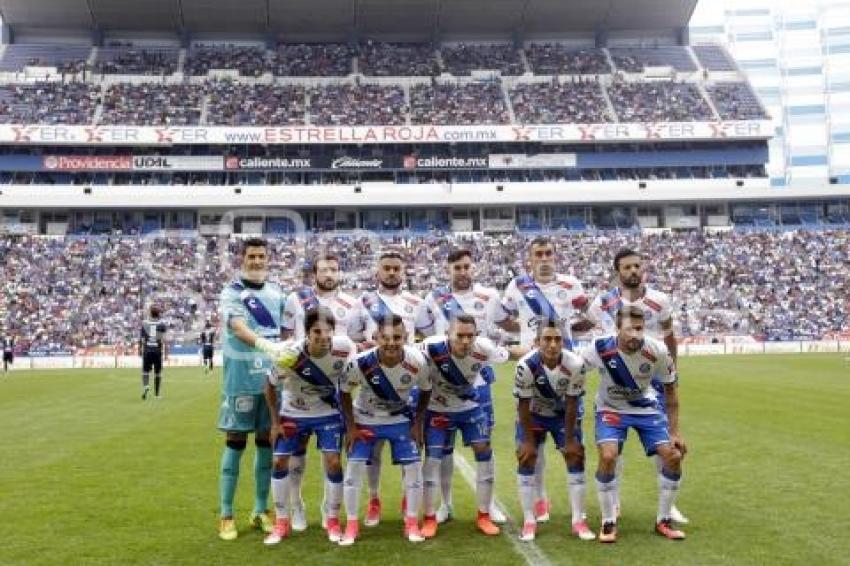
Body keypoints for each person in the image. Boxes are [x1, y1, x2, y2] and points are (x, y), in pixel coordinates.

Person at [493, 236, 590, 522]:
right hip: (533, 366)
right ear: (530, 258)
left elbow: (585, 318)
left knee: (570, 426)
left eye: (549, 253)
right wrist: (525, 335)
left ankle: (575, 509)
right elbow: (503, 318)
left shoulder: (571, 284)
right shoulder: (517, 286)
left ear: (555, 255)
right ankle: (540, 500)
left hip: (565, 366)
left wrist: (569, 341)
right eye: (539, 254)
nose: (544, 258)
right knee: (535, 437)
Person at [587, 248, 687, 524]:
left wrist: (673, 370)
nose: (633, 271)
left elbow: (669, 336)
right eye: (627, 267)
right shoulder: (603, 302)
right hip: (617, 372)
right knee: (612, 445)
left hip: (651, 371)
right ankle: (614, 501)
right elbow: (598, 336)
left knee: (665, 441)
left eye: (637, 266)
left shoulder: (659, 300)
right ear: (617, 271)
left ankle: (669, 503)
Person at [417, 249, 507, 524]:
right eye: (457, 267)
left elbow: (502, 327)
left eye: (467, 266)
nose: (463, 271)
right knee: (442, 448)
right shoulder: (433, 298)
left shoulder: (490, 296)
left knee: (483, 442)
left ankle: (488, 505)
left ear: (473, 268)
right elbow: (422, 331)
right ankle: (445, 504)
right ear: (449, 269)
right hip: (442, 383)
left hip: (478, 383)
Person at [420, 314, 520, 538]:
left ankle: (484, 514)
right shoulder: (429, 347)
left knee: (483, 450)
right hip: (438, 409)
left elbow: (511, 354)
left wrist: (543, 352)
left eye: (470, 336)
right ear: (448, 335)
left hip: (469, 407)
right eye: (460, 336)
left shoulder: (483, 348)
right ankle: (430, 516)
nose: (465, 341)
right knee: (433, 458)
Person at [281, 254, 362, 530]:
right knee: (296, 451)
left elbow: (355, 345)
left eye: (334, 268)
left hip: (331, 393)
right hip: (299, 387)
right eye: (324, 269)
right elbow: (286, 338)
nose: (330, 273)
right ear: (314, 273)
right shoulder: (296, 299)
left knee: (332, 455)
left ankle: (330, 509)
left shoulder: (352, 303)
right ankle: (297, 505)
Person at [262, 307, 356, 545]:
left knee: (334, 461)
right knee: (279, 461)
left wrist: (351, 423)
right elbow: (269, 386)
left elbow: (348, 384)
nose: (323, 337)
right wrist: (274, 423)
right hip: (294, 413)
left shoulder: (344, 348)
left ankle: (332, 517)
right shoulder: (289, 355)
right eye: (317, 332)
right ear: (307, 333)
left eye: (328, 332)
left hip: (327, 413)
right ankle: (287, 517)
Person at [216, 237, 287, 541]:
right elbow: (238, 328)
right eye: (251, 256)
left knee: (265, 443)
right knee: (235, 443)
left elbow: (285, 332)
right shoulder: (231, 293)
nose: (257, 261)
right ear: (242, 259)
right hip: (241, 379)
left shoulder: (277, 294)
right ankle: (226, 514)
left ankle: (260, 510)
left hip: (271, 381)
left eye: (261, 256)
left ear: (267, 259)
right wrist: (266, 345)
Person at [338, 314, 431, 546]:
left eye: (397, 337)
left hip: (399, 419)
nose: (391, 342)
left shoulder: (418, 361)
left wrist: (418, 423)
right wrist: (350, 427)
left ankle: (411, 522)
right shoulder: (359, 362)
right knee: (354, 469)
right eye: (385, 337)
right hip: (365, 420)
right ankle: (353, 522)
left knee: (413, 468)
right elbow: (344, 392)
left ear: (406, 337)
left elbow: (427, 390)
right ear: (376, 337)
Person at [355, 251, 430, 527]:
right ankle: (374, 499)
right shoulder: (363, 302)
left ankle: (406, 498)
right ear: (377, 271)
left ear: (404, 271)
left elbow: (424, 335)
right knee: (372, 448)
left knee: (409, 444)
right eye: (386, 268)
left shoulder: (416, 302)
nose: (391, 272)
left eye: (396, 268)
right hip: (372, 380)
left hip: (405, 380)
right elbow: (354, 336)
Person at [513, 319, 593, 542]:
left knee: (575, 456)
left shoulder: (576, 365)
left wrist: (569, 440)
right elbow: (523, 405)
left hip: (561, 416)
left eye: (557, 339)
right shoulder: (525, 366)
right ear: (537, 342)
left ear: (563, 342)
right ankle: (529, 520)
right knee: (526, 457)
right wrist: (528, 441)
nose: (552, 344)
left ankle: (578, 520)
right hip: (533, 414)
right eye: (547, 339)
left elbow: (571, 404)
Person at [139, 305, 167, 400]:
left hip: (147, 350)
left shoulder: (144, 323)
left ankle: (146, 386)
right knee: (158, 373)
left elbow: (142, 339)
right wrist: (166, 353)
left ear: (150, 313)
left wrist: (140, 350)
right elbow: (163, 339)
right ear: (158, 313)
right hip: (157, 351)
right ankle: (157, 395)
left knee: (145, 371)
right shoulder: (162, 324)